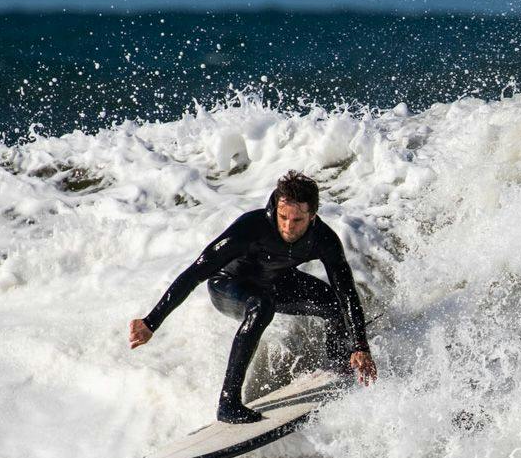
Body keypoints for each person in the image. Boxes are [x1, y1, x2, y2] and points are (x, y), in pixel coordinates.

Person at [128, 171, 377, 423]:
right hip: (228, 285)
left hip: (276, 281)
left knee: (332, 302)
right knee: (261, 306)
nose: (288, 227)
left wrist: (360, 346)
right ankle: (228, 403)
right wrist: (151, 322)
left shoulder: (323, 239)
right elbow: (194, 273)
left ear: (312, 216)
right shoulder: (250, 228)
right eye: (283, 217)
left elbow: (346, 291)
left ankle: (339, 364)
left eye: (298, 220)